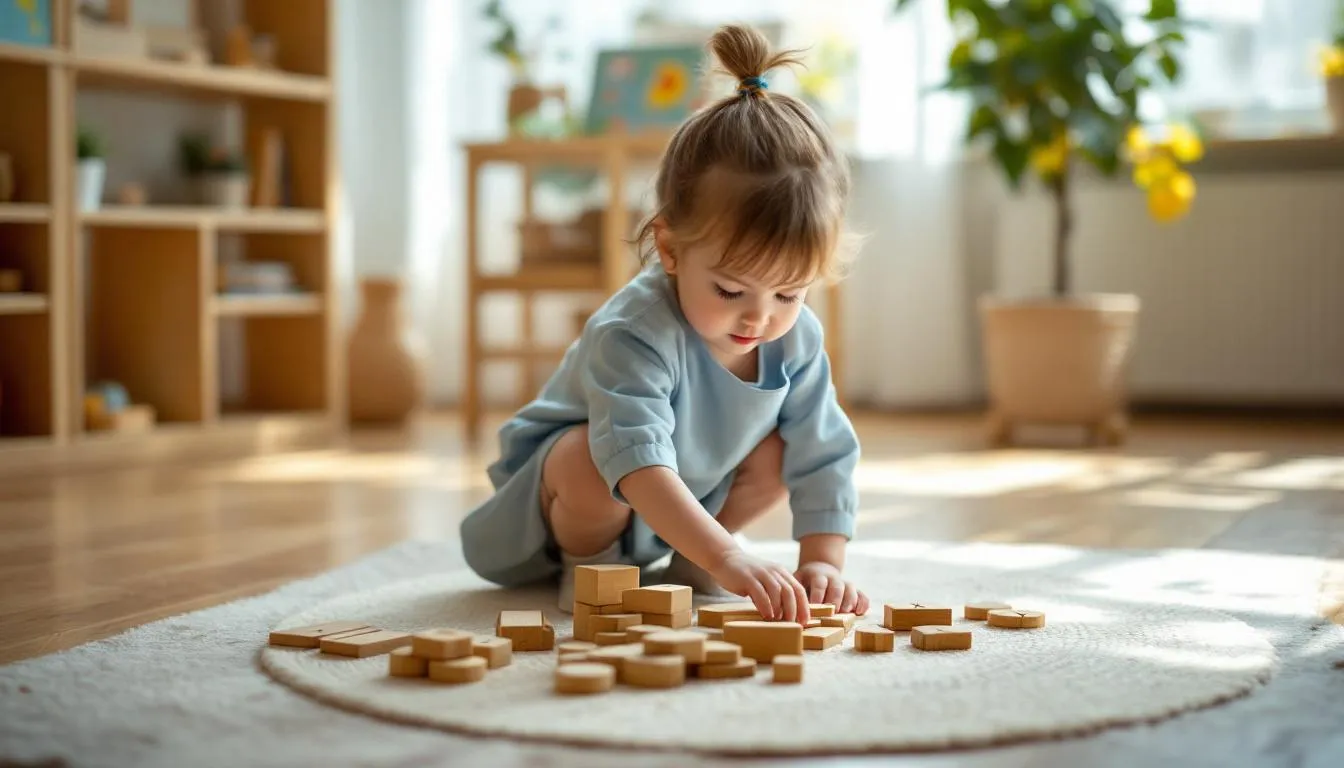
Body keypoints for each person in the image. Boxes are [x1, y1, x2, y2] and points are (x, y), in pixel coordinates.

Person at [460, 23, 868, 623]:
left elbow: (823, 451)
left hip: (681, 512)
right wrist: (732, 556)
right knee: (587, 460)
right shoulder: (633, 331)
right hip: (559, 514)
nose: (760, 316)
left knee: (784, 446)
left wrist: (824, 560)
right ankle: (594, 572)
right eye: (731, 289)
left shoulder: (796, 337)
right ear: (670, 251)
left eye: (790, 291)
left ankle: (692, 562)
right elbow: (638, 462)